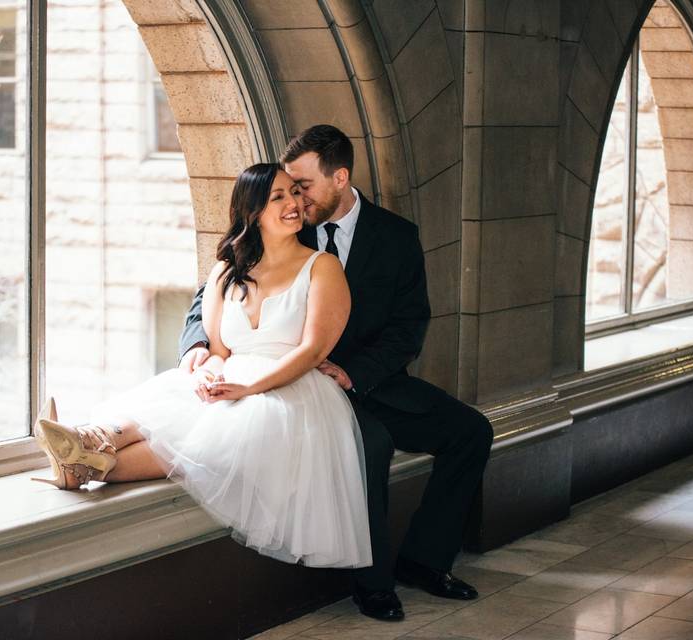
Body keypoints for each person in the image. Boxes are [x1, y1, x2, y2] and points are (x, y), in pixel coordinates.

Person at [179, 125, 494, 621]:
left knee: (472, 432)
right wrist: (197, 346)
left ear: (340, 178)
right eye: (288, 187)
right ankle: (372, 584)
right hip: (290, 384)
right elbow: (213, 290)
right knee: (368, 447)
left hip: (369, 382)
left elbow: (409, 328)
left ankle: (424, 561)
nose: (295, 197)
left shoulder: (396, 237)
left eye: (302, 185)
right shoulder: (281, 223)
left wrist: (352, 372)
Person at [32, 162, 373, 569]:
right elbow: (218, 348)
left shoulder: (322, 266)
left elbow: (314, 350)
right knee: (179, 393)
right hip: (234, 377)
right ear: (253, 211)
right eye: (278, 196)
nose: (294, 203)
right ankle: (87, 447)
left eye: (295, 193)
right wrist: (210, 370)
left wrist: (250, 387)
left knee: (207, 435)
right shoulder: (227, 272)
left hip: (292, 388)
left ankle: (84, 457)